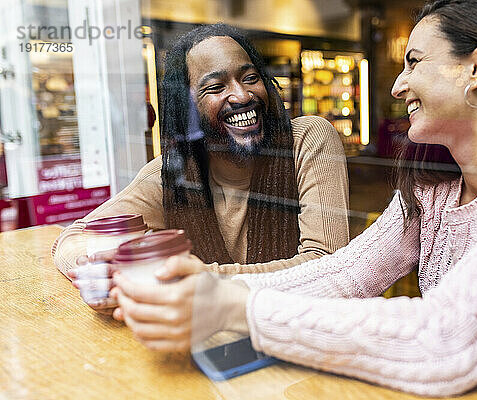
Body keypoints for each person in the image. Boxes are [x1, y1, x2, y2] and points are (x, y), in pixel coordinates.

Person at [110, 1, 477, 397]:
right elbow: (344, 274)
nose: (397, 84)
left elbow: (448, 339)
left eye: (414, 62)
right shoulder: (432, 190)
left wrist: (230, 307)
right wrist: (209, 292)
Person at [52, 24, 350, 315]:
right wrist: (100, 271)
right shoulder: (171, 174)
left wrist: (198, 282)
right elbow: (71, 238)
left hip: (298, 334)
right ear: (188, 109)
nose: (242, 96)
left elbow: (326, 265)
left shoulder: (307, 138)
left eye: (250, 77)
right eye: (216, 87)